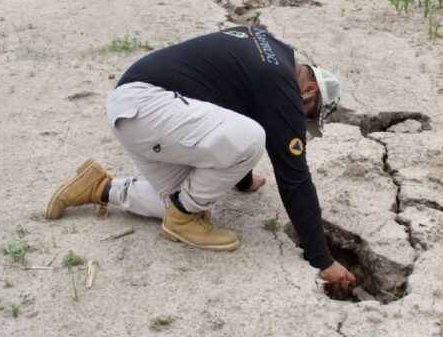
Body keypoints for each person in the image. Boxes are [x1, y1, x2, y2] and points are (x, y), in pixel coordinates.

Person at [45, 25, 357, 296]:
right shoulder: (281, 84)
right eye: (310, 114)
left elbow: (232, 101)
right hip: (149, 107)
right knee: (251, 140)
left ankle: (102, 187)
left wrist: (245, 181)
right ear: (309, 89)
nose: (301, 121)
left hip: (137, 108)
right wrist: (323, 260)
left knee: (184, 199)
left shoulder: (272, 50)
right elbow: (295, 179)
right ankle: (182, 219)